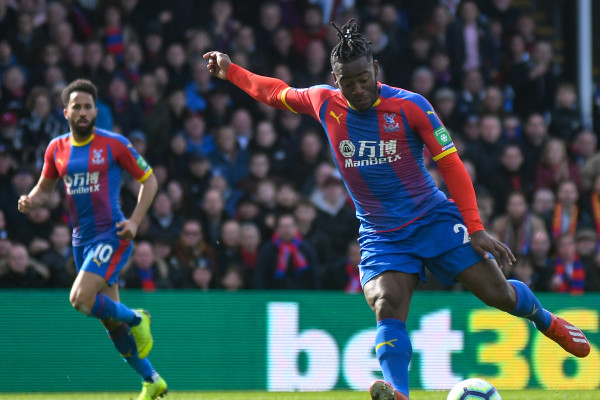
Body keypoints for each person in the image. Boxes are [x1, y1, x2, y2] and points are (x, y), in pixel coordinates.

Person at [204, 19, 591, 400]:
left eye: (363, 79)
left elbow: (452, 165)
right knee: (386, 303)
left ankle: (545, 319)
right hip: (381, 233)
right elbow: (275, 92)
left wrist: (474, 227)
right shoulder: (324, 102)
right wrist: (231, 70)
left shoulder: (410, 106)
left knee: (499, 295)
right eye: (348, 83)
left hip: (432, 219)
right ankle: (399, 394)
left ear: (375, 69)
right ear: (335, 80)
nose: (357, 89)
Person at [16, 79, 167, 400]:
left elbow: (150, 181)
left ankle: (138, 318)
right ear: (66, 112)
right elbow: (44, 190)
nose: (83, 112)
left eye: (88, 107)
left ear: (96, 111)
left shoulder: (114, 144)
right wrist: (30, 200)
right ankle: (151, 380)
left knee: (80, 299)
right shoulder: (56, 148)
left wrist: (135, 221)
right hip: (81, 242)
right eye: (77, 107)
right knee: (110, 321)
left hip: (111, 234)